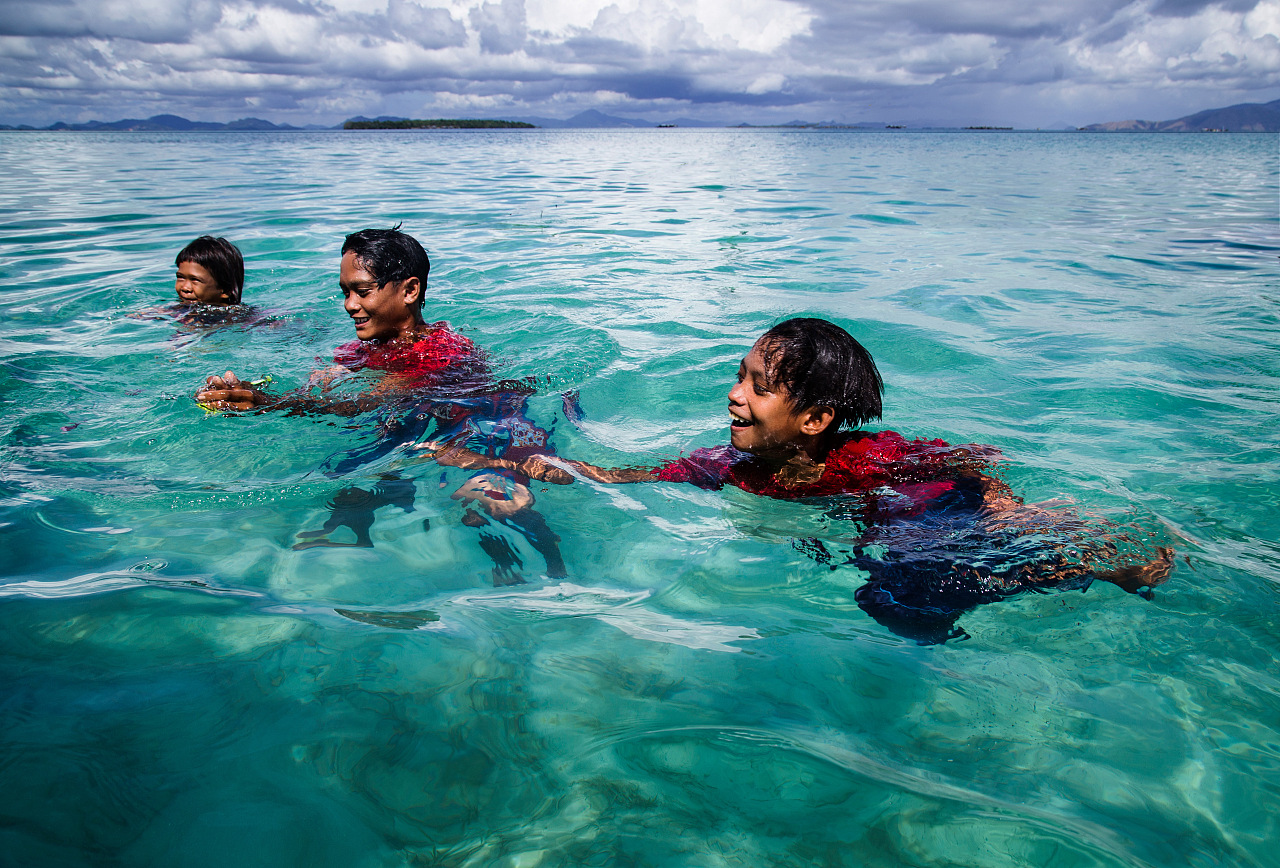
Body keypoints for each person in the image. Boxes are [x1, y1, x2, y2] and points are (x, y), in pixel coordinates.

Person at [427, 317, 1172, 643]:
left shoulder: (868, 456)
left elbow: (976, 461)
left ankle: (1093, 561)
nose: (734, 396)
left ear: (815, 419)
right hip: (880, 528)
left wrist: (1007, 510)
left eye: (758, 387)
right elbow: (618, 475)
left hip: (931, 512)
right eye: (739, 376)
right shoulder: (726, 466)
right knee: (898, 608)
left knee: (900, 589)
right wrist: (511, 464)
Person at [195, 227, 565, 580]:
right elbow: (330, 389)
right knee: (350, 474)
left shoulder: (437, 350)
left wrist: (270, 403)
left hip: (479, 432)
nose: (349, 305)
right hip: (415, 429)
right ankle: (354, 541)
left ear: (410, 290)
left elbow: (362, 403)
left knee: (488, 504)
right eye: (345, 292)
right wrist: (256, 390)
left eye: (362, 291)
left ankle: (552, 574)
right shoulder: (360, 350)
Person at [175, 235, 244, 306]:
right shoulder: (178, 308)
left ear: (226, 291)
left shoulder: (236, 313)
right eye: (180, 277)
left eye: (195, 280)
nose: (185, 288)